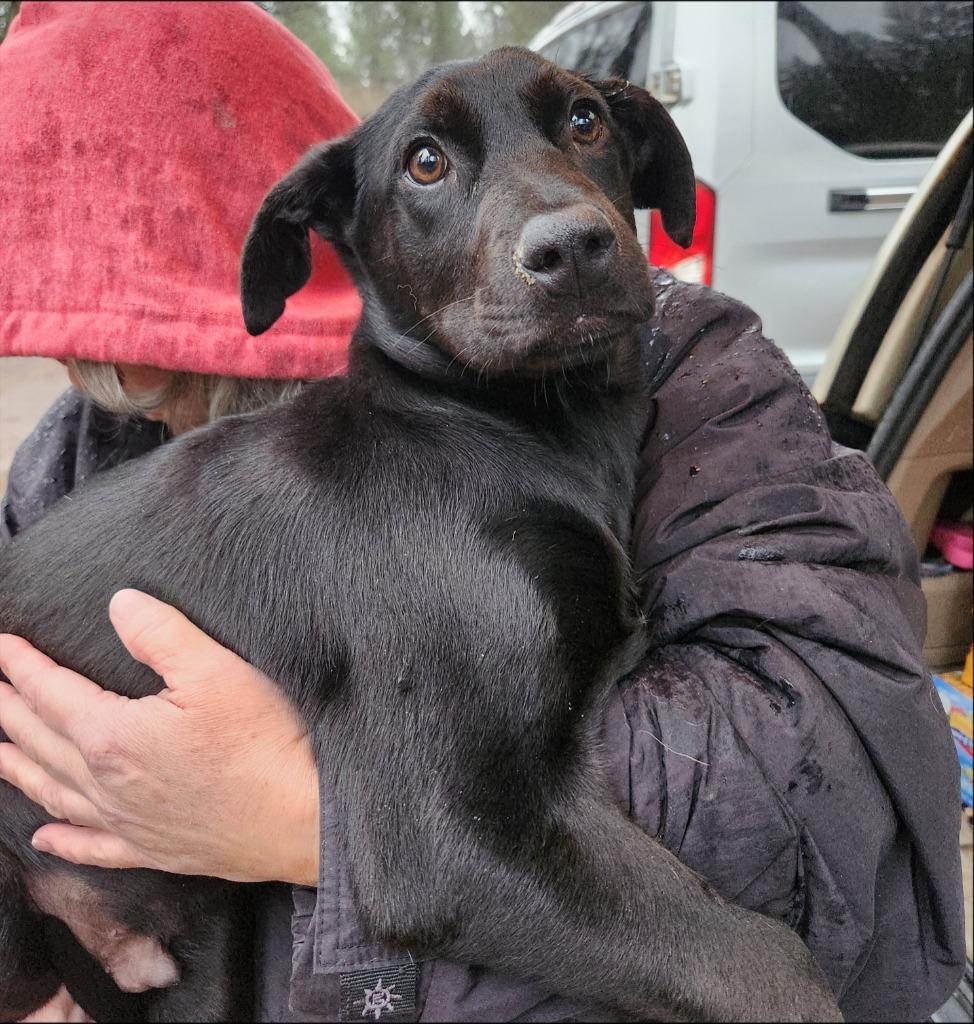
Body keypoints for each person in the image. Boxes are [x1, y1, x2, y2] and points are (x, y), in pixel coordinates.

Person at [0, 3, 965, 1022]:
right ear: (340, 233)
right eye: (427, 161)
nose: (556, 218)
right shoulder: (76, 458)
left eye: (580, 126)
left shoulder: (712, 392)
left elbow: (826, 777)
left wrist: (290, 815)